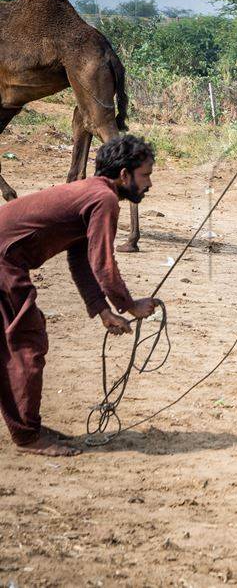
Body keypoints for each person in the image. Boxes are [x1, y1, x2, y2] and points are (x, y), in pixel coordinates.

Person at [0, 135, 158, 456]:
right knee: (26, 342)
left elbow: (80, 257)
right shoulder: (105, 200)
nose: (149, 184)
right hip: (4, 260)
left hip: (7, 259)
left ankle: (26, 426)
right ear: (125, 175)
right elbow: (103, 263)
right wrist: (129, 305)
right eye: (146, 175)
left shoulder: (90, 191)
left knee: (20, 340)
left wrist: (102, 310)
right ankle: (28, 436)